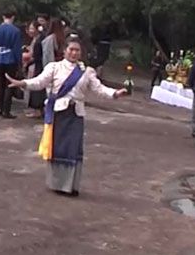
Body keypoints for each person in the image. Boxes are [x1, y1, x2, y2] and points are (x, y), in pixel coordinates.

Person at [8, 35, 128, 196]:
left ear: (81, 53)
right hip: (59, 113)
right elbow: (39, 82)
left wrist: (115, 93)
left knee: (73, 149)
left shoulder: (87, 72)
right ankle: (57, 184)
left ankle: (71, 186)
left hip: (76, 114)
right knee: (59, 149)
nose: (74, 53)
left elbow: (99, 89)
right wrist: (22, 83)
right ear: (64, 51)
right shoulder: (54, 67)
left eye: (77, 50)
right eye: (71, 49)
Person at [0, 10, 23, 119]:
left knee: (1, 83)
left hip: (0, 57)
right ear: (13, 17)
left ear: (3, 16)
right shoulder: (16, 31)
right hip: (11, 59)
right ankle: (6, 110)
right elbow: (17, 48)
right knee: (10, 84)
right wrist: (20, 62)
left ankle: (0, 107)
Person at [24, 21, 45, 118]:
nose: (30, 31)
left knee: (36, 87)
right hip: (33, 64)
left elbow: (36, 55)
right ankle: (36, 109)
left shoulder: (39, 40)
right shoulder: (36, 39)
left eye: (32, 28)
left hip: (36, 65)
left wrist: (27, 60)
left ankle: (38, 110)